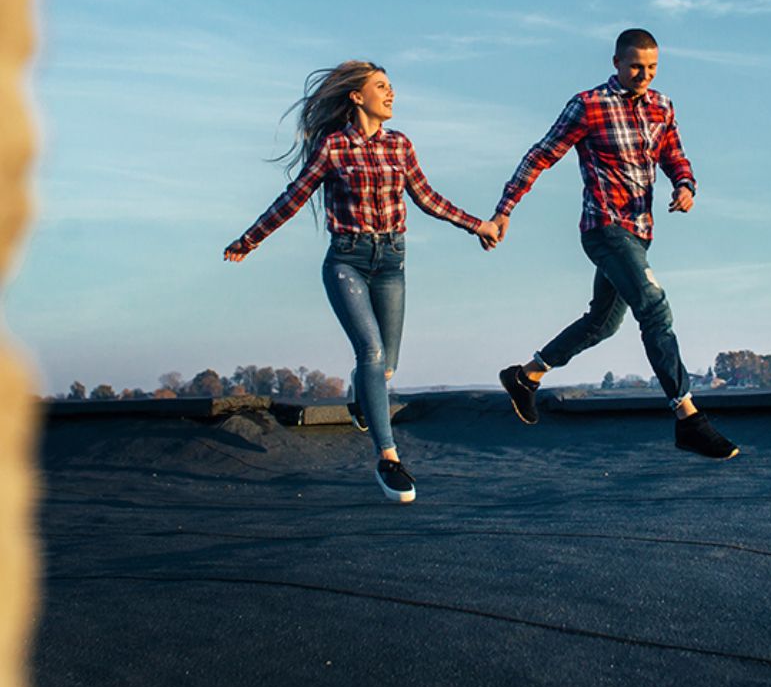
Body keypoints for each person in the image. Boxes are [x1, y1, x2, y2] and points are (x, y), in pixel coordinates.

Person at [224, 61, 500, 502]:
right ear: (356, 96)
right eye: (380, 87)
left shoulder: (401, 146)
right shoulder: (333, 147)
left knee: (385, 366)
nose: (390, 94)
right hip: (346, 262)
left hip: (392, 262)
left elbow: (428, 199)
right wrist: (249, 240)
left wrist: (478, 226)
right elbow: (293, 199)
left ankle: (362, 396)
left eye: (391, 87)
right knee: (369, 352)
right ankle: (389, 459)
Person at [491, 29, 738, 459]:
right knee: (654, 306)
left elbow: (674, 154)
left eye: (652, 68)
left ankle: (526, 376)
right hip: (604, 229)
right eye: (636, 67)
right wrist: (504, 209)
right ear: (616, 63)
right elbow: (541, 155)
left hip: (641, 233)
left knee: (602, 324)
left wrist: (685, 184)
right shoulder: (588, 105)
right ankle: (688, 417)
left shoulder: (662, 106)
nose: (644, 75)